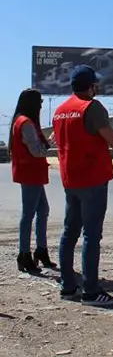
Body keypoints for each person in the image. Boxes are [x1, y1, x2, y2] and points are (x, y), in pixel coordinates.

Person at [52, 65, 113, 306]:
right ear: (91, 86)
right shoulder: (91, 108)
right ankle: (91, 291)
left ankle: (67, 286)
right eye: (95, 85)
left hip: (70, 180)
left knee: (69, 232)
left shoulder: (60, 111)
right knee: (91, 235)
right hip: (92, 179)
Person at [9, 88, 56, 273]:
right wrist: (51, 143)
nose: (42, 105)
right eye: (40, 101)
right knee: (28, 214)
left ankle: (40, 250)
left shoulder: (20, 121)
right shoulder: (26, 123)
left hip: (30, 172)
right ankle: (24, 254)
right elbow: (36, 151)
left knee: (42, 210)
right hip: (31, 173)